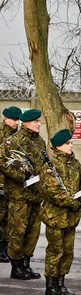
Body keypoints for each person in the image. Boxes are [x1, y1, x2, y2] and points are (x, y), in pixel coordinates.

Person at [40, 129, 81, 295]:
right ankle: (51, 286)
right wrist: (71, 202)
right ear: (58, 146)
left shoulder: (75, 164)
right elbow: (51, 191)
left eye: (71, 143)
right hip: (56, 216)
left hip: (71, 217)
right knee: (55, 251)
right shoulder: (50, 166)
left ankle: (61, 283)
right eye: (67, 143)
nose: (71, 146)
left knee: (68, 252)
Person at [1, 108, 46, 280]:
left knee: (32, 232)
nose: (38, 124)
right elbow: (1, 161)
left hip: (35, 194)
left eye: (39, 121)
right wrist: (20, 175)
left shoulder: (39, 141)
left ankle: (26, 264)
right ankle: (16, 266)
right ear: (26, 123)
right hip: (19, 195)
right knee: (18, 231)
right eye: (36, 121)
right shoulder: (13, 141)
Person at [0, 105, 22, 263]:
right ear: (5, 119)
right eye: (13, 120)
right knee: (1, 216)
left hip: (14, 184)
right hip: (1, 182)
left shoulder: (18, 137)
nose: (16, 122)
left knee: (10, 217)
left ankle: (6, 246)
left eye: (18, 120)